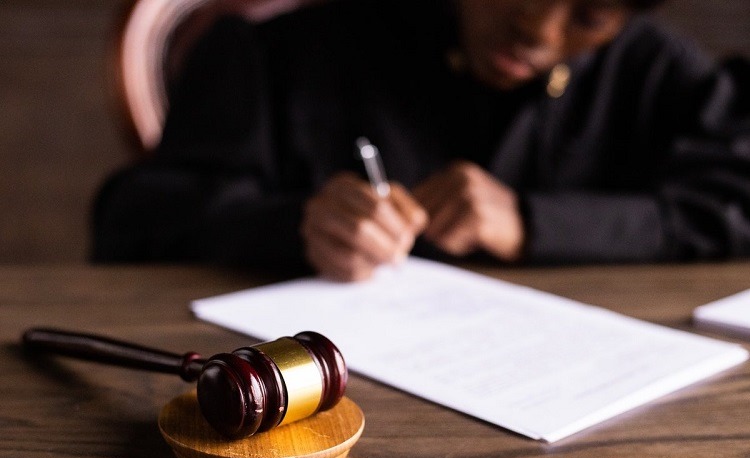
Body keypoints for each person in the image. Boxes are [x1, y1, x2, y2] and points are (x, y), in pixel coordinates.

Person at [93, 0, 750, 281]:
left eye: (590, 15)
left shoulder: (653, 68)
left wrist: (534, 223)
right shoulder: (287, 51)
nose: (538, 30)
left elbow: (733, 207)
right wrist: (295, 227)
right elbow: (133, 219)